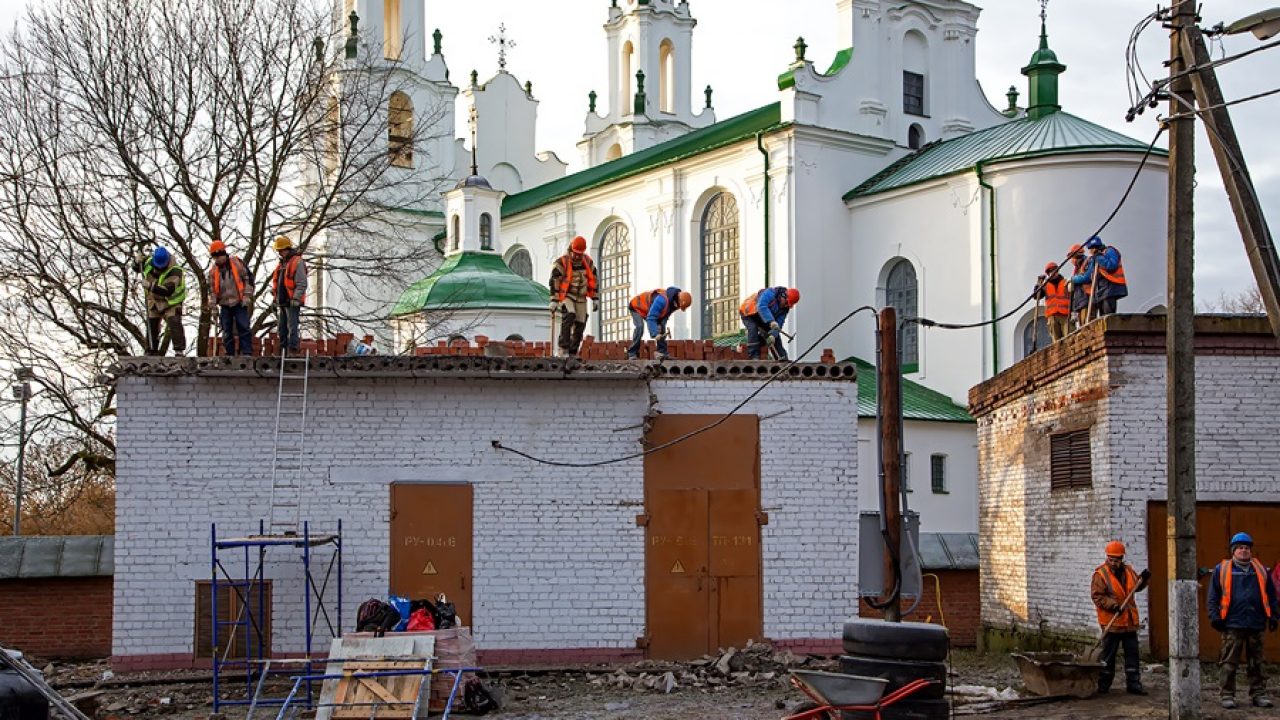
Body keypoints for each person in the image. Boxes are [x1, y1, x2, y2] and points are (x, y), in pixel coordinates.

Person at [1207, 532, 1279, 709]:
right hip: (1232, 624)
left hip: (1256, 622)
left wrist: (1274, 616)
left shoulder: (1261, 570)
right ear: (1233, 550)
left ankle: (1258, 694)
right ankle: (1227, 695)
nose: (1244, 551)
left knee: (1257, 663)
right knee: (1229, 662)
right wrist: (1214, 617)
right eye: (1240, 548)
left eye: (1247, 548)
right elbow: (1213, 597)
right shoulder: (1222, 570)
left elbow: (1271, 595)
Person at [1090, 540, 1150, 695]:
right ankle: (1104, 685)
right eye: (1112, 560)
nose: (1114, 563)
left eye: (1117, 560)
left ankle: (1134, 684)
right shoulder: (1100, 574)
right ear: (1107, 557)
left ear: (1122, 558)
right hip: (1113, 622)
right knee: (1108, 656)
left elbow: (1136, 587)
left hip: (1129, 622)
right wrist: (1113, 605)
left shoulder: (1129, 571)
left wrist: (1144, 580)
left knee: (1132, 655)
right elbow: (1097, 596)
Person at [548, 236, 598, 357]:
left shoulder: (588, 262)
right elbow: (555, 280)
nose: (577, 257)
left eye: (579, 254)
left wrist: (595, 298)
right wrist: (554, 300)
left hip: (581, 297)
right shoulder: (562, 262)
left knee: (581, 322)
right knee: (570, 314)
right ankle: (563, 347)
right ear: (571, 249)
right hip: (567, 295)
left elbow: (594, 280)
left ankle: (573, 351)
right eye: (575, 253)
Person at [134, 246, 187, 356]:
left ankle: (179, 350)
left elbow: (168, 290)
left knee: (174, 323)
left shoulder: (175, 271)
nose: (157, 270)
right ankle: (151, 350)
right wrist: (136, 261)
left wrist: (150, 286)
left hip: (171, 301)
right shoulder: (148, 262)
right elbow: (137, 267)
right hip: (154, 300)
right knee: (152, 324)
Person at [206, 240, 255, 356]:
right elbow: (212, 291)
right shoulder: (213, 272)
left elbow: (248, 279)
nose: (218, 259)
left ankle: (247, 352)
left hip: (239, 302)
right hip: (224, 304)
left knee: (243, 327)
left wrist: (247, 296)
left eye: (220, 255)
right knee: (227, 331)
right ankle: (229, 354)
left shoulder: (237, 263)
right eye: (215, 256)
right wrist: (213, 307)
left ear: (224, 253)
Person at [627, 287, 692, 360]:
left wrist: (660, 327)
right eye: (679, 306)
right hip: (637, 306)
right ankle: (632, 353)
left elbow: (664, 317)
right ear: (677, 300)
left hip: (648, 310)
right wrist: (655, 333)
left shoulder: (674, 304)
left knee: (662, 326)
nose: (678, 308)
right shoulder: (662, 300)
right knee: (640, 327)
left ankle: (662, 352)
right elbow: (651, 318)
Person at [1072, 235, 1127, 319]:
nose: (1089, 252)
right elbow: (1088, 276)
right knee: (1102, 318)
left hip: (1111, 288)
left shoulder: (1109, 251)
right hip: (1101, 291)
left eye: (1090, 249)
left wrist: (1098, 257)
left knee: (1109, 317)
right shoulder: (1095, 258)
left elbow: (1111, 265)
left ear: (1094, 248)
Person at [270, 235, 308, 356]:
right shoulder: (282, 264)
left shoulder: (297, 262)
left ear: (286, 249)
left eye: (280, 250)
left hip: (291, 301)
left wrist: (296, 298)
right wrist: (275, 299)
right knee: (282, 328)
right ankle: (283, 350)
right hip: (282, 301)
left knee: (292, 327)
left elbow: (301, 283)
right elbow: (278, 284)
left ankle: (292, 350)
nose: (279, 253)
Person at [738, 287, 799, 360]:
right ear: (783, 296)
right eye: (786, 303)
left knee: (774, 337)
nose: (786, 306)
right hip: (749, 314)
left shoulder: (785, 309)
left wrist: (773, 335)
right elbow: (761, 306)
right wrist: (771, 321)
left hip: (763, 318)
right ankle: (754, 357)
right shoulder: (770, 293)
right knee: (753, 329)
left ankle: (782, 358)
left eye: (788, 305)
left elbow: (779, 324)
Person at [1034, 262, 1071, 343]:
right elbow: (1036, 297)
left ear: (1058, 271)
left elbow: (1072, 295)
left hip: (1065, 315)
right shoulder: (1045, 286)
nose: (1053, 273)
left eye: (1055, 270)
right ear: (1048, 273)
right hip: (1052, 316)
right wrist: (1038, 284)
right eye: (1050, 271)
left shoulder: (1065, 282)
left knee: (1069, 338)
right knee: (1056, 342)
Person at [1066, 243, 1090, 328]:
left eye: (1072, 257)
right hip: (1079, 301)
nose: (1071, 260)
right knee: (1082, 325)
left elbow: (1086, 277)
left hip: (1087, 298)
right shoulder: (1076, 269)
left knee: (1086, 325)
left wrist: (1073, 279)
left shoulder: (1087, 261)